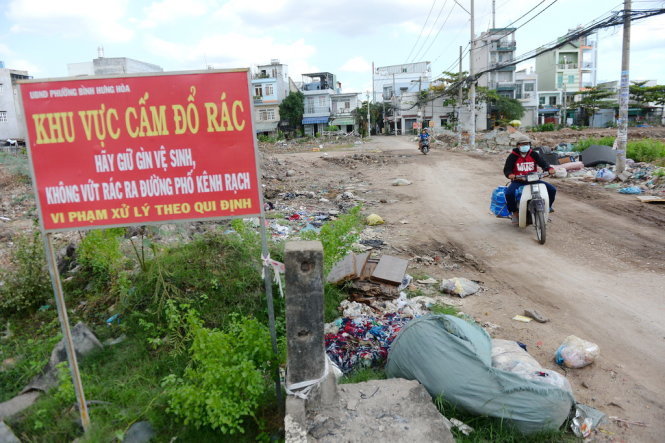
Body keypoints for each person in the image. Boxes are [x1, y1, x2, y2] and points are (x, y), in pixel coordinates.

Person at [503, 137, 557, 224]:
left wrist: (549, 168)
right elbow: (507, 169)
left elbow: (543, 163)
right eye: (523, 144)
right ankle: (514, 212)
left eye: (527, 144)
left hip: (534, 179)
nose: (525, 146)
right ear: (518, 146)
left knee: (552, 189)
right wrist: (510, 174)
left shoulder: (533, 154)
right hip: (519, 181)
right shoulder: (513, 156)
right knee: (509, 193)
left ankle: (548, 207)